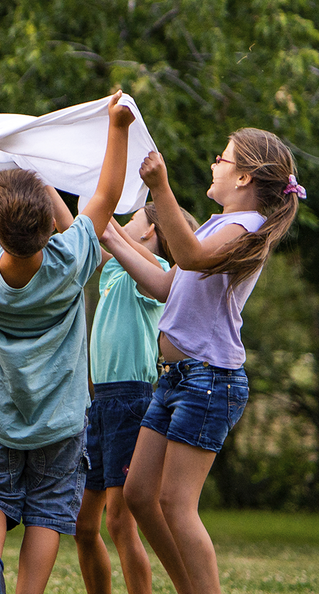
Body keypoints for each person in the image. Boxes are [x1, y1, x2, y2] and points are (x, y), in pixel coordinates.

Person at [109, 129, 301, 594]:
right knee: (139, 495)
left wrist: (161, 187)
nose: (214, 164)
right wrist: (108, 234)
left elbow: (190, 258)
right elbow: (165, 285)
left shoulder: (245, 227)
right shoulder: (217, 223)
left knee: (176, 503)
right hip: (177, 378)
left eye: (221, 158)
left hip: (210, 380)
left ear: (243, 177)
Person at [0, 92, 134, 594]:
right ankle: (28, 590)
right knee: (51, 509)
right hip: (59, 422)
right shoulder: (70, 263)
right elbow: (104, 195)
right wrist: (116, 127)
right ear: (52, 229)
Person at [75, 205, 197, 594]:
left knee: (120, 522)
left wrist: (102, 200)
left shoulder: (154, 270)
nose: (123, 224)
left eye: (132, 221)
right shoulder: (114, 267)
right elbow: (80, 226)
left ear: (149, 233)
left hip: (132, 399)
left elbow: (104, 225)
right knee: (83, 525)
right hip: (100, 403)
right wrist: (47, 185)